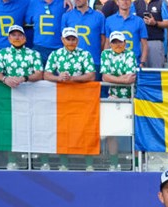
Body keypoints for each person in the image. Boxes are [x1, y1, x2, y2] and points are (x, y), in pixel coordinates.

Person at [100, 30, 136, 170]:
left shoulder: (130, 54)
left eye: (120, 42)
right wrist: (122, 80)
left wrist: (114, 79)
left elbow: (131, 78)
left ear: (125, 43)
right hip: (113, 98)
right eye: (114, 42)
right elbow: (104, 77)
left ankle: (135, 163)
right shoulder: (105, 54)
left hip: (130, 98)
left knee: (133, 131)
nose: (117, 44)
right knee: (111, 131)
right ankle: (114, 164)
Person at [61, 0, 107, 72]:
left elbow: (103, 40)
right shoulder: (66, 16)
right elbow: (64, 40)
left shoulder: (99, 16)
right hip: (71, 62)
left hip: (94, 62)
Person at [105, 0, 149, 67]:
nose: (125, 1)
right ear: (117, 2)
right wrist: (105, 61)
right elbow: (107, 43)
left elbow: (144, 44)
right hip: (114, 63)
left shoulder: (139, 21)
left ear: (131, 2)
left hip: (134, 63)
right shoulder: (109, 20)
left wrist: (142, 62)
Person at [25, 0, 68, 65]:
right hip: (39, 47)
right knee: (37, 74)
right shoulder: (33, 3)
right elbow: (28, 20)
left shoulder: (64, 3)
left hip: (59, 48)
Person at [135, 0, 168, 68]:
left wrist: (155, 23)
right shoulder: (136, 3)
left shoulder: (160, 3)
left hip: (155, 41)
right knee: (140, 71)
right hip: (139, 42)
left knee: (156, 71)